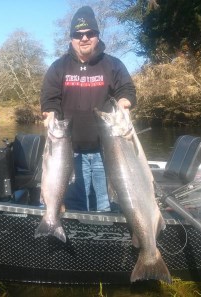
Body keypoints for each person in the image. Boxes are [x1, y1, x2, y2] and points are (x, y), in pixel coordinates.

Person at [40, 6, 136, 211]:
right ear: (71, 38)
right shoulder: (58, 66)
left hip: (107, 150)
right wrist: (50, 114)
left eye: (89, 33)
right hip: (68, 152)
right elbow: (50, 99)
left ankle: (105, 240)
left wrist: (124, 103)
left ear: (97, 36)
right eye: (78, 34)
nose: (84, 38)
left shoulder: (112, 64)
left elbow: (126, 89)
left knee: (107, 205)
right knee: (75, 207)